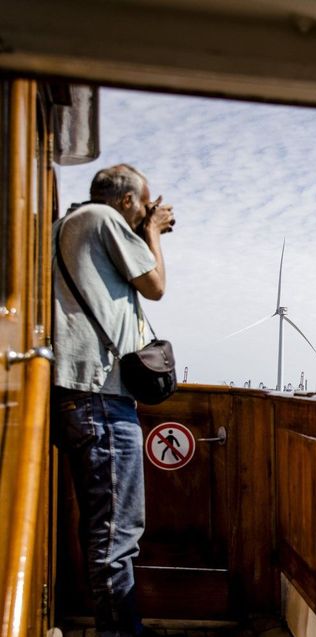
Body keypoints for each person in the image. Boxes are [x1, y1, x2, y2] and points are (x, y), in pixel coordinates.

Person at [51, 163, 174, 636]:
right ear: (126, 202)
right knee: (117, 536)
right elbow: (156, 285)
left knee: (103, 532)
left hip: (80, 397)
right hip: (101, 398)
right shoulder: (103, 220)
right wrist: (154, 232)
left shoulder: (68, 226)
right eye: (144, 206)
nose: (148, 213)